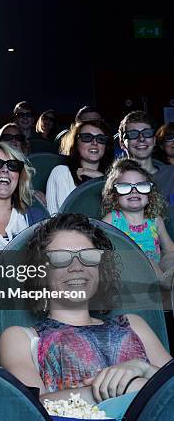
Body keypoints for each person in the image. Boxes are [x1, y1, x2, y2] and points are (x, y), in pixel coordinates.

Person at [0, 213, 172, 404]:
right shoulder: (20, 337)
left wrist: (145, 370)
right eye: (61, 258)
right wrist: (130, 387)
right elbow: (33, 410)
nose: (77, 267)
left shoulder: (133, 324)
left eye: (88, 256)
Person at [102, 159, 174, 288]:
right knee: (148, 262)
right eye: (125, 186)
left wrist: (170, 261)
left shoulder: (155, 220)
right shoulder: (111, 220)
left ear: (150, 194)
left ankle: (169, 279)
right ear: (114, 195)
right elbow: (101, 250)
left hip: (158, 265)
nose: (134, 191)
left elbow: (169, 249)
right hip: (127, 270)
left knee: (170, 259)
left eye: (141, 186)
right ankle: (163, 284)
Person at [46, 119, 114, 214]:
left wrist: (101, 179)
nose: (94, 143)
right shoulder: (62, 173)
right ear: (76, 143)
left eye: (101, 139)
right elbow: (67, 218)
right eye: (87, 137)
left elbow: (121, 216)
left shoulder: (114, 175)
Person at [118, 111, 159, 175]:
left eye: (147, 133)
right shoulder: (114, 180)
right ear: (122, 143)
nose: (141, 139)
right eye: (133, 134)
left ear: (154, 140)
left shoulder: (171, 174)